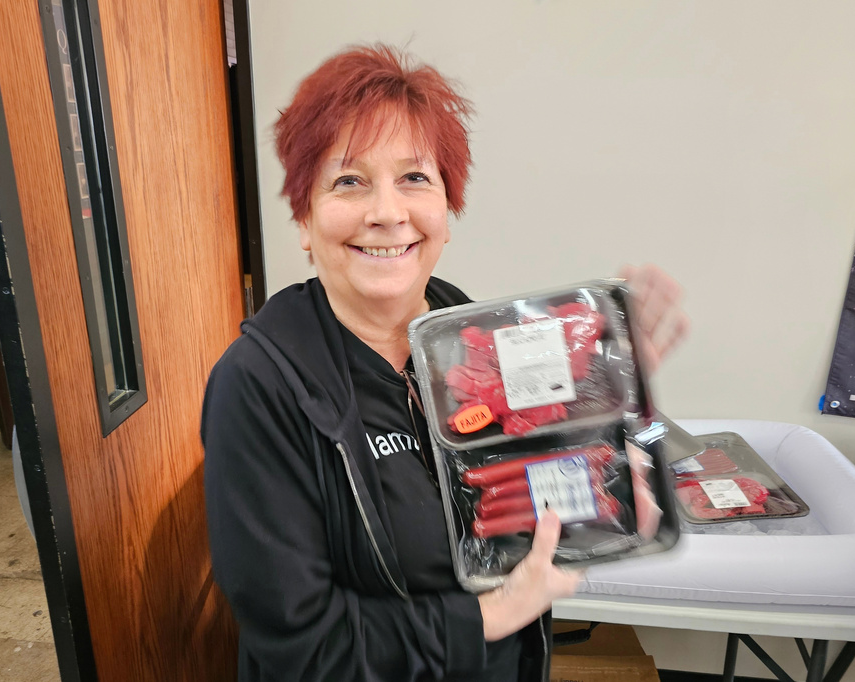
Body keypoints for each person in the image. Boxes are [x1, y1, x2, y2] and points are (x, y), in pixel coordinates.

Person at [202, 44, 688, 682]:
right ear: (303, 218)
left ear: (448, 211)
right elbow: (302, 648)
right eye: (349, 180)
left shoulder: (471, 331)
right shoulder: (258, 385)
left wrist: (605, 428)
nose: (387, 212)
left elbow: (515, 514)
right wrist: (496, 615)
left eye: (414, 177)